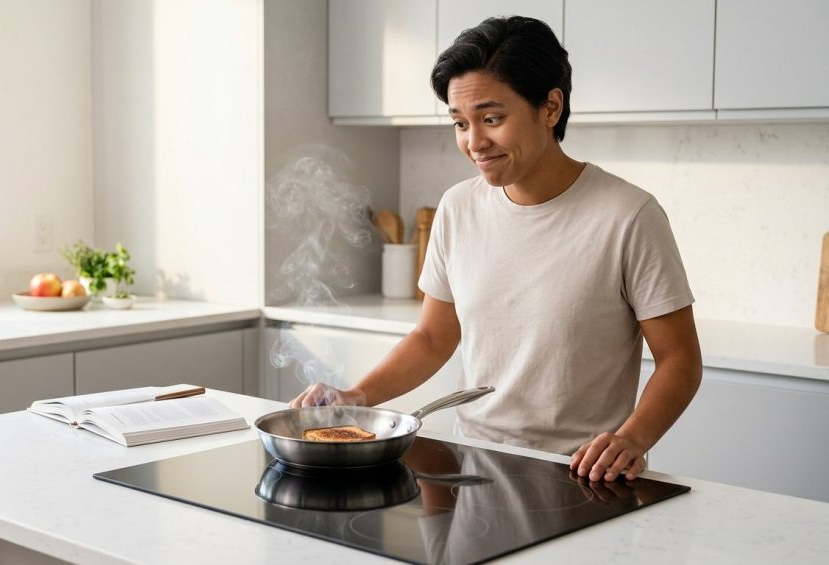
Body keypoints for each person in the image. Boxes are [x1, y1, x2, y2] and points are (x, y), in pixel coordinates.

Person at [290, 16, 702, 483]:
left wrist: (632, 438)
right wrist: (357, 397)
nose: (474, 142)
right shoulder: (458, 207)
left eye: (492, 119)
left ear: (550, 107)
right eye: (460, 123)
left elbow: (680, 359)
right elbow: (433, 337)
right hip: (475, 465)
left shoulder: (628, 215)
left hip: (583, 476)